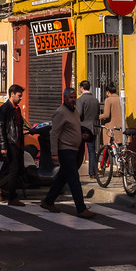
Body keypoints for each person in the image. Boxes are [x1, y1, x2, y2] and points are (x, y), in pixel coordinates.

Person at [40, 88, 95, 219]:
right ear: (64, 98)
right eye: (70, 97)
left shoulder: (75, 112)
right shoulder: (60, 112)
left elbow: (73, 130)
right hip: (65, 150)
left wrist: (83, 135)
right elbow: (54, 134)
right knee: (74, 179)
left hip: (74, 150)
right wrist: (54, 153)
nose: (73, 100)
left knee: (62, 178)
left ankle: (48, 201)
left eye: (74, 97)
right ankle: (81, 208)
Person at [0, 84, 26, 206]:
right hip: (10, 142)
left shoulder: (16, 108)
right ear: (12, 94)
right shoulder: (5, 108)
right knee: (14, 170)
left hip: (18, 143)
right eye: (19, 95)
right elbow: (1, 127)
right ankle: (12, 197)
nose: (21, 98)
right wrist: (3, 146)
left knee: (17, 170)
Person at [76, 80, 100, 179]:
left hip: (83, 128)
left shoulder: (80, 100)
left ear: (82, 88)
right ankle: (93, 173)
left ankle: (75, 171)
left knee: (79, 151)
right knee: (92, 151)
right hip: (93, 128)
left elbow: (79, 114)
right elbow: (98, 114)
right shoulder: (95, 100)